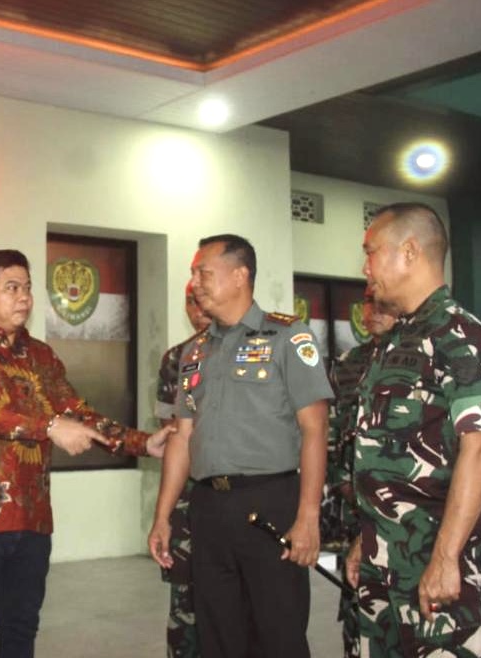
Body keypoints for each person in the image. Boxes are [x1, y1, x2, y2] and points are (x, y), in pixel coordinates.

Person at [0, 248, 171, 658]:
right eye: (11, 288)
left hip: (33, 519)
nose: (24, 297)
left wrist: (141, 443)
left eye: (27, 287)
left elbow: (78, 413)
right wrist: (49, 427)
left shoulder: (40, 355)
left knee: (21, 632)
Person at [148, 234, 332, 658]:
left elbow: (315, 429)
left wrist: (308, 517)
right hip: (209, 509)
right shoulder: (194, 352)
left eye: (204, 273)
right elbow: (182, 437)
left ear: (239, 275)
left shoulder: (288, 337)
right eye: (194, 274)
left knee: (278, 635)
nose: (195, 282)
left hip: (270, 504)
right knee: (218, 635)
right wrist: (162, 517)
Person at [348, 203, 481, 657]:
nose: (365, 268)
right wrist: (366, 536)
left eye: (371, 252)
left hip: (430, 560)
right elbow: (383, 453)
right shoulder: (394, 341)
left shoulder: (459, 334)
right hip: (381, 561)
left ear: (410, 252)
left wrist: (445, 557)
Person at [324, 289, 396, 658]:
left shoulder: (412, 359)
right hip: (356, 507)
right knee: (357, 602)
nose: (374, 311)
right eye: (369, 303)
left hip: (402, 510)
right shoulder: (348, 364)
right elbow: (332, 435)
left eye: (383, 304)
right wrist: (342, 486)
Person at [154, 282, 211, 658]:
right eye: (190, 301)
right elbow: (172, 432)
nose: (197, 308)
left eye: (202, 299)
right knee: (184, 603)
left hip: (234, 497)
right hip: (187, 498)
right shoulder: (176, 358)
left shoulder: (251, 350)